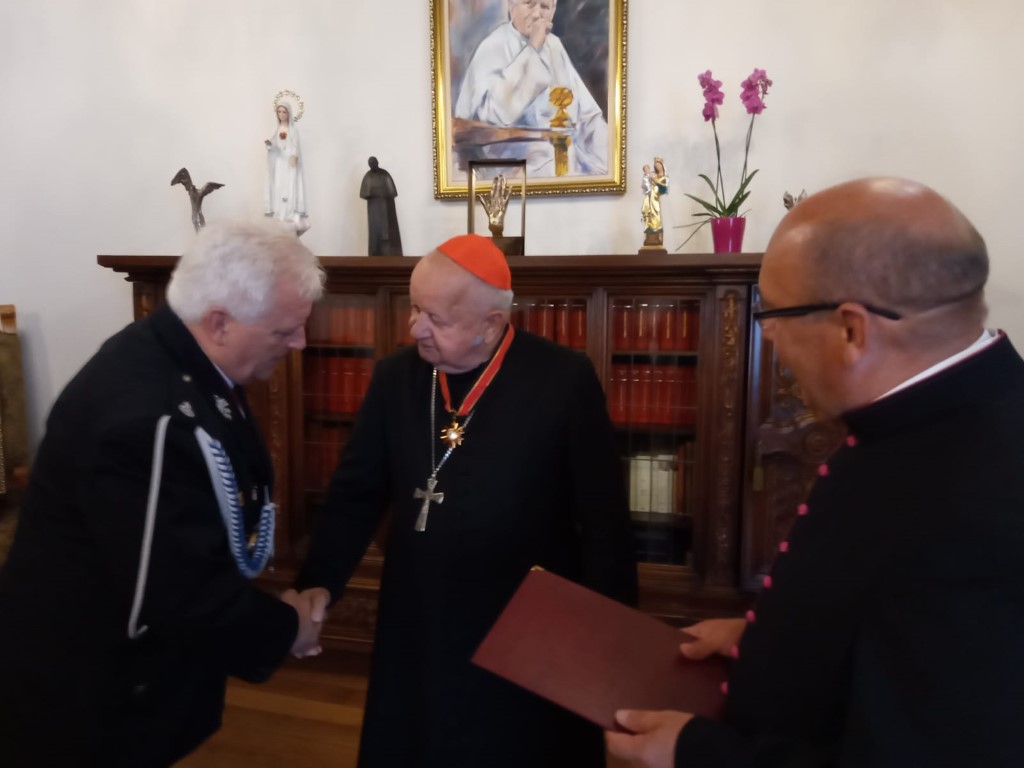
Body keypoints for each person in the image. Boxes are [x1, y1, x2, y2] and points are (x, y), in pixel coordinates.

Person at [606, 177, 1024, 767]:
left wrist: (697, 752)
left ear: (852, 330)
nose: (768, 336)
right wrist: (772, 637)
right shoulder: (924, 418)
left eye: (771, 314)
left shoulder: (980, 499)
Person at [296, 233, 638, 768]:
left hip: (528, 621)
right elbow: (355, 493)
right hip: (419, 613)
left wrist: (612, 637)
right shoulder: (396, 378)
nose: (415, 328)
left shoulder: (562, 379)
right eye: (414, 309)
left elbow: (603, 519)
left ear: (492, 323)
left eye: (435, 318)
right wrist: (318, 581)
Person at [0, 219, 329, 766]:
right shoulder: (145, 416)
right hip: (88, 698)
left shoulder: (173, 355)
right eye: (284, 331)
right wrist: (287, 629)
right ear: (219, 322)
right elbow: (181, 593)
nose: (300, 343)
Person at [454, 0, 609, 176]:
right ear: (511, 6)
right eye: (529, 3)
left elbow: (588, 120)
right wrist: (533, 48)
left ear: (553, 11)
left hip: (564, 168)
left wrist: (614, 162)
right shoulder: (492, 47)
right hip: (511, 171)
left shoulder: (554, 46)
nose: (537, 14)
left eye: (544, 7)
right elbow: (496, 115)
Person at [264, 102, 310, 234]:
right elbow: (273, 146)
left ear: (289, 113)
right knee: (279, 185)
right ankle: (280, 212)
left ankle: (289, 212)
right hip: (280, 161)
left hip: (290, 161)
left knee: (290, 186)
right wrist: (269, 145)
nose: (282, 115)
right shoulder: (276, 129)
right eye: (279, 112)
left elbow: (296, 146)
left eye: (284, 112)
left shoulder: (293, 130)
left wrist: (294, 155)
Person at [359, 156, 403, 256]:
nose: (373, 165)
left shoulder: (385, 175)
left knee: (388, 233)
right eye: (371, 164)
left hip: (386, 207)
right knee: (375, 234)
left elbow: (391, 192)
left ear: (377, 163)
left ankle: (390, 252)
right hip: (374, 209)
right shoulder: (368, 176)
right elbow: (364, 193)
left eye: (374, 163)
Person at [640, 157, 668, 246]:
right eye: (656, 166)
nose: (658, 167)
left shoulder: (664, 176)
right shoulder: (653, 174)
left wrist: (656, 181)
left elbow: (664, 184)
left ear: (662, 166)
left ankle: (656, 226)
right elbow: (646, 181)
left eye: (659, 165)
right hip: (650, 194)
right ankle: (650, 226)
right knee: (650, 210)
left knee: (656, 210)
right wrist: (646, 175)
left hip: (656, 195)